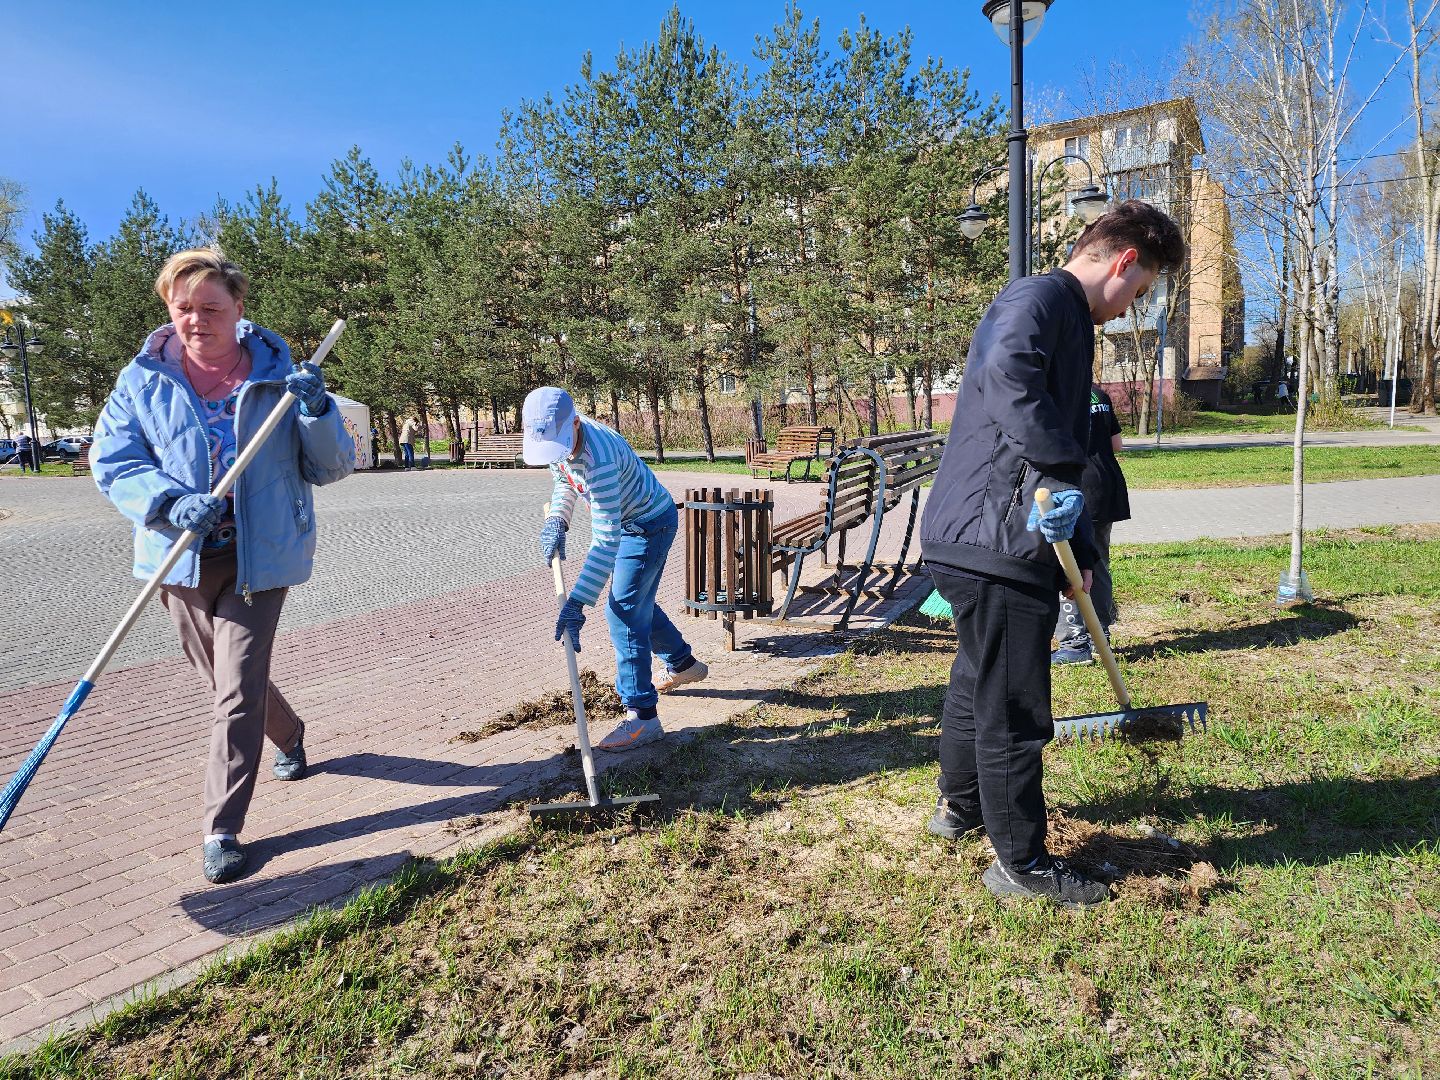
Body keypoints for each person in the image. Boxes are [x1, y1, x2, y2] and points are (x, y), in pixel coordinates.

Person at [918, 200, 1186, 909]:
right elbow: (1011, 379)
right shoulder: (1040, 297)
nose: (1133, 307)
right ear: (1124, 261)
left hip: (990, 538)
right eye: (1142, 290)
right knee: (1014, 705)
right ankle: (1021, 864)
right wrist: (1065, 473)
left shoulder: (1064, 314)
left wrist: (1082, 549)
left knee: (979, 678)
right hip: (996, 538)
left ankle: (961, 804)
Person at [90, 249, 355, 884]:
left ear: (239, 310)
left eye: (211, 307)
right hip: (179, 556)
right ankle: (289, 735)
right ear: (168, 309)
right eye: (183, 308)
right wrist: (168, 501)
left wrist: (318, 413)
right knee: (231, 684)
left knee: (235, 691)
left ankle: (221, 827)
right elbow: (114, 461)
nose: (196, 319)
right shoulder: (143, 381)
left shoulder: (278, 376)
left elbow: (331, 465)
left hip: (258, 556)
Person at [524, 386, 708, 751]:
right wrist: (558, 520)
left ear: (575, 423)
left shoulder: (599, 459)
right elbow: (564, 479)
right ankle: (683, 664)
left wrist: (577, 602)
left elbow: (606, 540)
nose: (554, 455)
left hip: (647, 524)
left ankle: (642, 717)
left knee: (623, 612)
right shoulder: (558, 437)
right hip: (627, 521)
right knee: (635, 603)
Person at [1052, 384, 1130, 665]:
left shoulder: (1057, 392)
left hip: (1075, 487)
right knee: (1097, 565)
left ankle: (1075, 643)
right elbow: (1116, 444)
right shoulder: (1099, 393)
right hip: (1106, 485)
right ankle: (1101, 638)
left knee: (1068, 566)